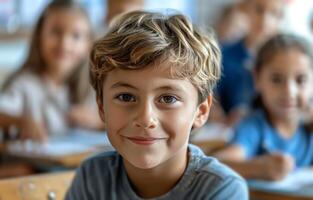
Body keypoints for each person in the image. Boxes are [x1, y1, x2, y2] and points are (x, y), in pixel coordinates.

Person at [65, 11, 248, 200]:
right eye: (126, 97)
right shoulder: (92, 177)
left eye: (168, 99)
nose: (145, 119)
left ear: (200, 111)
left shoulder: (222, 189)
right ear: (102, 107)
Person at [0, 0, 103, 142]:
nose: (64, 43)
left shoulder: (91, 86)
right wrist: (22, 122)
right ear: (39, 36)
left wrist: (97, 122)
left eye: (76, 36)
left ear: (88, 45)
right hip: (32, 163)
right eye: (56, 32)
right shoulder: (24, 84)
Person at [214, 34, 313, 181]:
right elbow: (217, 164)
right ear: (257, 79)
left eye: (301, 80)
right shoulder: (253, 127)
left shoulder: (308, 128)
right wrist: (258, 168)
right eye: (276, 79)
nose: (289, 91)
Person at [216, 0, 285, 126]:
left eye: (274, 13)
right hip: (231, 130)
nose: (265, 20)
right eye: (259, 10)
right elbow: (212, 96)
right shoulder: (225, 54)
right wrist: (217, 115)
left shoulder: (286, 58)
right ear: (245, 9)